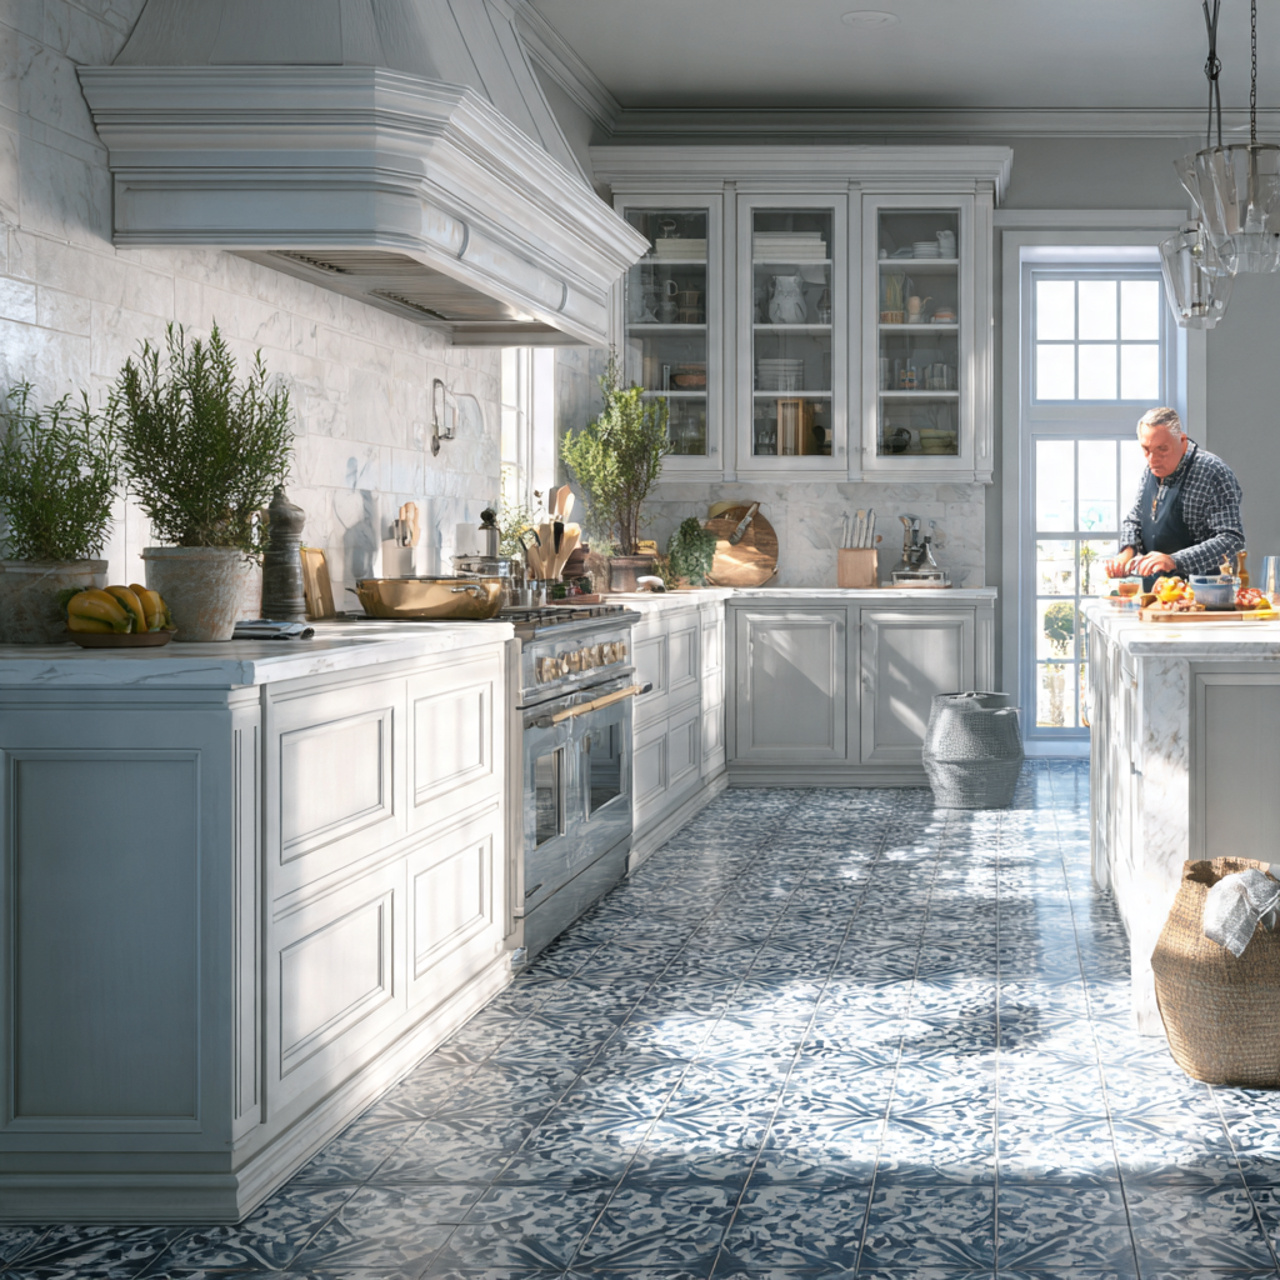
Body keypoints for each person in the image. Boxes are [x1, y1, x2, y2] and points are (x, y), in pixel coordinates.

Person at [1105, 407, 1244, 588]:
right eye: (1146, 449)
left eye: (1162, 449)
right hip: (1155, 594)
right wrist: (1126, 552)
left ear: (1182, 440)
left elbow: (1232, 539)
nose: (1153, 459)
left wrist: (1174, 560)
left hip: (1205, 596)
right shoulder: (1151, 471)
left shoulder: (1212, 472)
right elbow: (1135, 519)